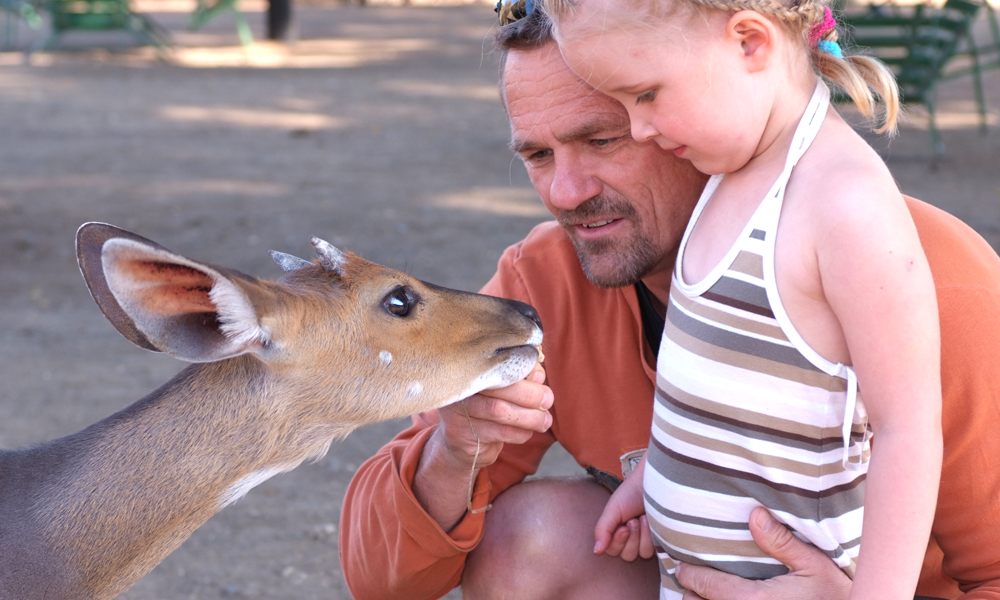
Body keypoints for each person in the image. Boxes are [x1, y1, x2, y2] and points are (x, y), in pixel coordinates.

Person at [338, 7, 1000, 600]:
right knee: (530, 541)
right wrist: (457, 449)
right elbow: (379, 577)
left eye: (606, 137)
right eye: (538, 155)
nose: (565, 193)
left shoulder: (912, 273)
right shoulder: (546, 283)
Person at [544, 0, 940, 597]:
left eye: (645, 94)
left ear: (750, 42)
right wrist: (661, 472)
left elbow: (908, 428)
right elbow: (734, 386)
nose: (639, 127)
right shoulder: (730, 174)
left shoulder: (843, 206)